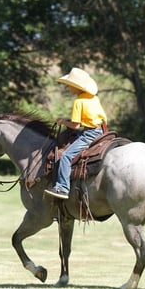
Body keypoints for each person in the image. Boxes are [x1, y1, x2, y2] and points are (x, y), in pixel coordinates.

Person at [44, 68, 108, 199]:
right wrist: (68, 121)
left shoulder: (78, 101)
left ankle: (62, 188)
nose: (68, 88)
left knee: (66, 156)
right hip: (101, 131)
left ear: (77, 87)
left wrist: (62, 121)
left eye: (70, 85)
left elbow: (76, 126)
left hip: (90, 134)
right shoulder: (93, 98)